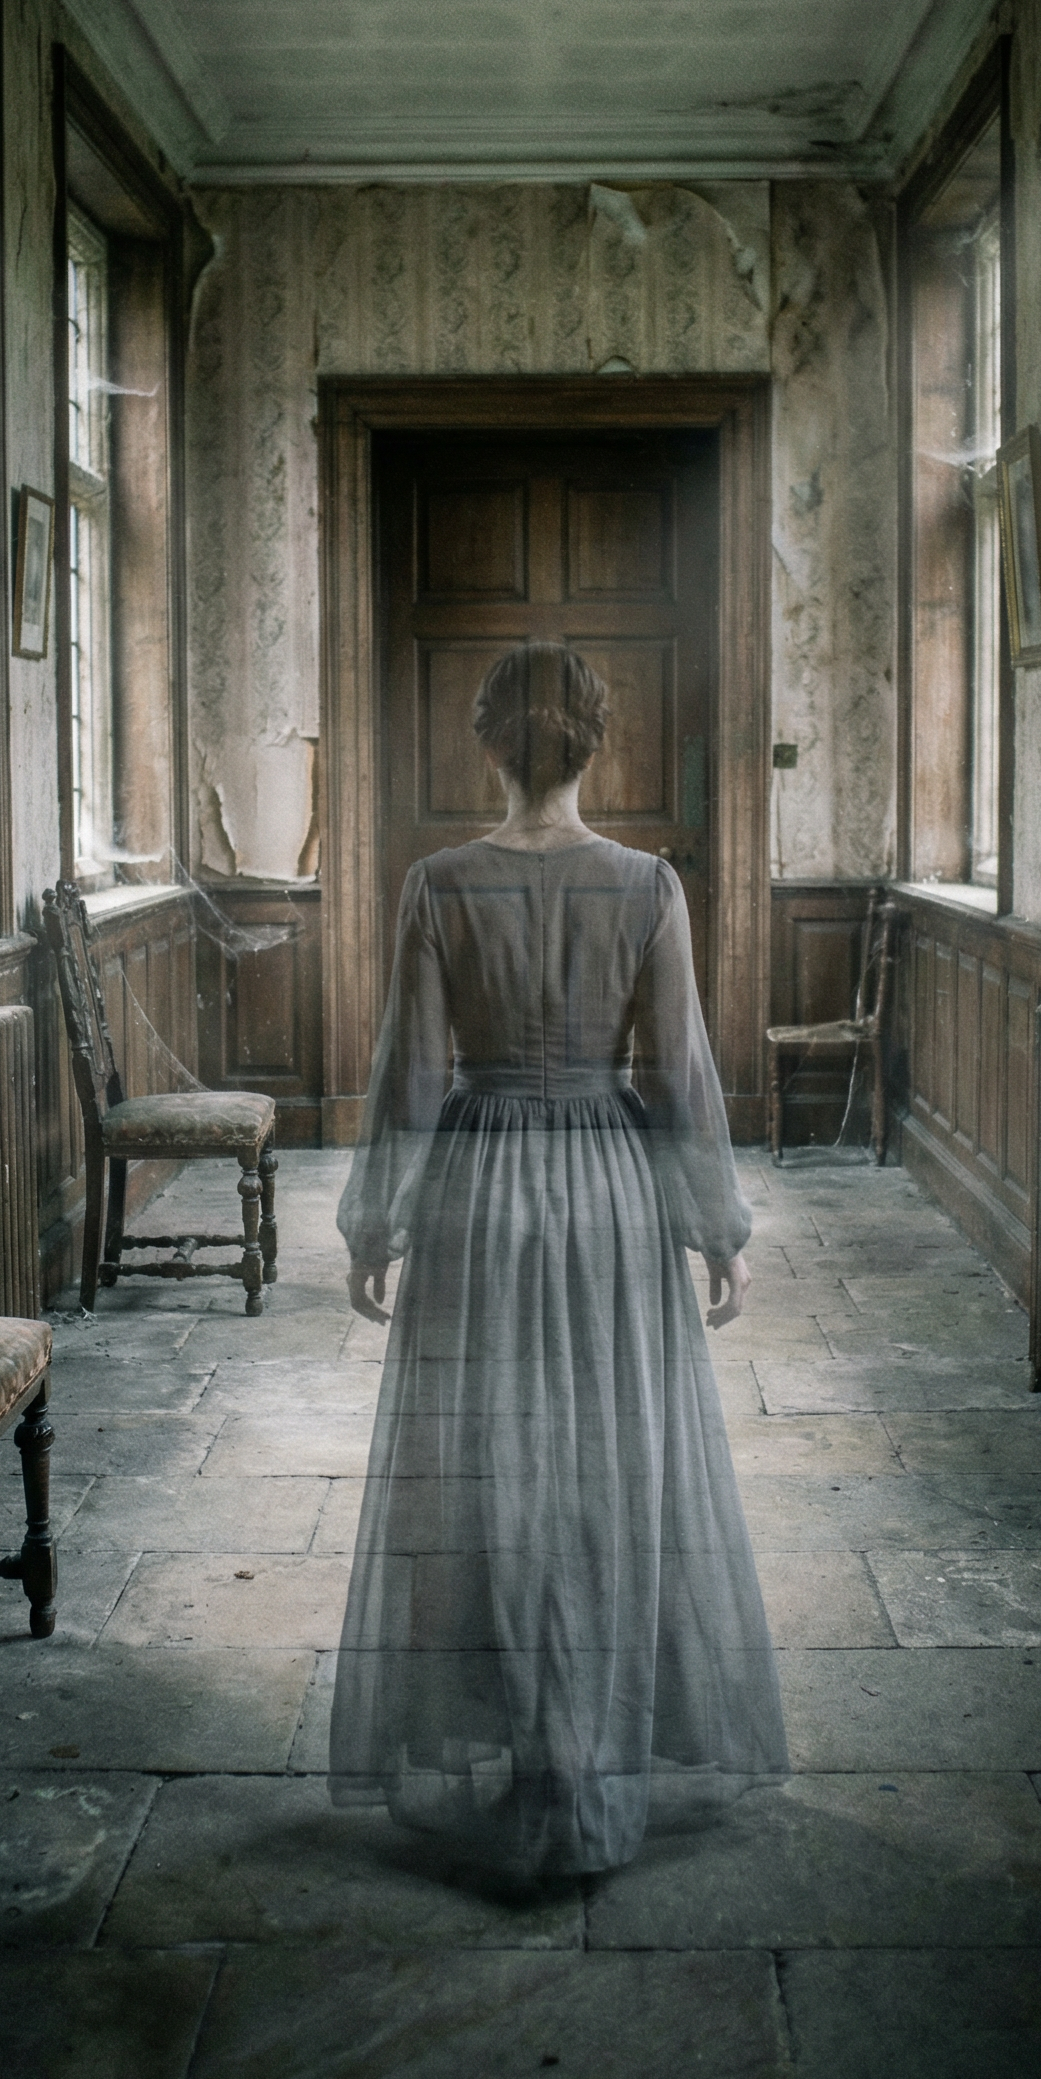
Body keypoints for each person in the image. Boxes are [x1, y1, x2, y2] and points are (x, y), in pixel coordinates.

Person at [330, 641, 786, 1880]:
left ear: (488, 744)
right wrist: (716, 1226)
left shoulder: (439, 882)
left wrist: (377, 1219)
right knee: (605, 1469)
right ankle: (592, 1755)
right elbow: (678, 1072)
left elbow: (414, 1076)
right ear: (596, 744)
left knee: (486, 1465)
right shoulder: (647, 885)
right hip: (603, 1193)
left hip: (479, 1193)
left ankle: (530, 1738)